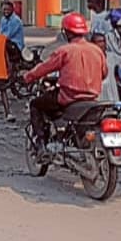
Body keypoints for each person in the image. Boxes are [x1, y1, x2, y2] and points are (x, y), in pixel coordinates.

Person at [23, 12, 108, 158]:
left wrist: (28, 77)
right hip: (92, 99)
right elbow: (104, 74)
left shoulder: (64, 51)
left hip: (68, 98)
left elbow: (44, 68)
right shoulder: (97, 51)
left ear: (67, 32)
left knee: (36, 105)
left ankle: (41, 144)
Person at [91, 33, 120, 102]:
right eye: (99, 41)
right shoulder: (90, 58)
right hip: (99, 92)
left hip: (112, 90)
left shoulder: (111, 56)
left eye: (103, 41)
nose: (102, 44)